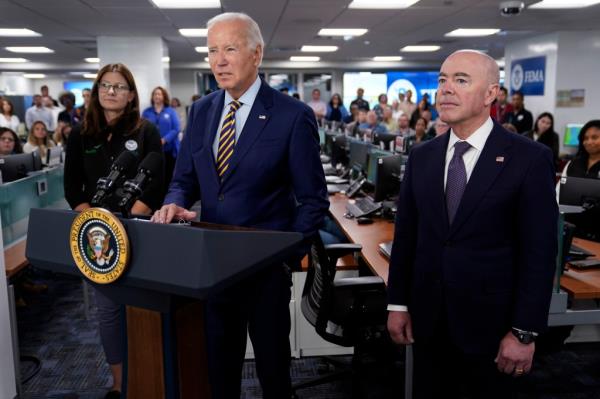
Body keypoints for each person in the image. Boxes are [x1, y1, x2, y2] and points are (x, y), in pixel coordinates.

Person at [150, 12, 328, 399]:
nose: (219, 60)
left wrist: (286, 255)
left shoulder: (292, 115)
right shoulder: (200, 111)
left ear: (257, 54)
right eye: (212, 51)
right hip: (213, 266)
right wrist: (173, 204)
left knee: (272, 372)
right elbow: (183, 180)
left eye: (230, 48)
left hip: (265, 269)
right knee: (220, 369)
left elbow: (314, 200)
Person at [386, 50, 558, 399]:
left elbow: (539, 254)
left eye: (461, 80)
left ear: (491, 94)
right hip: (429, 323)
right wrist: (398, 304)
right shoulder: (423, 156)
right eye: (442, 80)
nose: (446, 89)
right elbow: (407, 237)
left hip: (492, 330)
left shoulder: (528, 159)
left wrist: (524, 332)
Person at [64, 63, 164, 399]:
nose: (111, 91)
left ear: (131, 94)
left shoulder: (145, 130)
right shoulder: (80, 134)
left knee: (144, 306)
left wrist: (126, 219)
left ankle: (151, 377)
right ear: (96, 91)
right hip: (98, 239)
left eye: (119, 86)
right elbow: (72, 189)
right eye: (105, 85)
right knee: (108, 311)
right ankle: (119, 383)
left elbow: (157, 183)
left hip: (138, 229)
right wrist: (97, 223)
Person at [558, 120, 600, 241]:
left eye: (595, 137)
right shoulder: (573, 163)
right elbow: (559, 192)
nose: (589, 142)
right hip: (571, 228)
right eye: (585, 138)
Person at [142, 86, 181, 191]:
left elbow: (176, 128)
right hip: (152, 149)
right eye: (155, 94)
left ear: (164, 96)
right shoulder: (146, 112)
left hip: (169, 149)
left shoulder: (171, 111)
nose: (157, 96)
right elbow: (142, 128)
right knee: (154, 175)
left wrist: (164, 140)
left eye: (159, 94)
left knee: (169, 174)